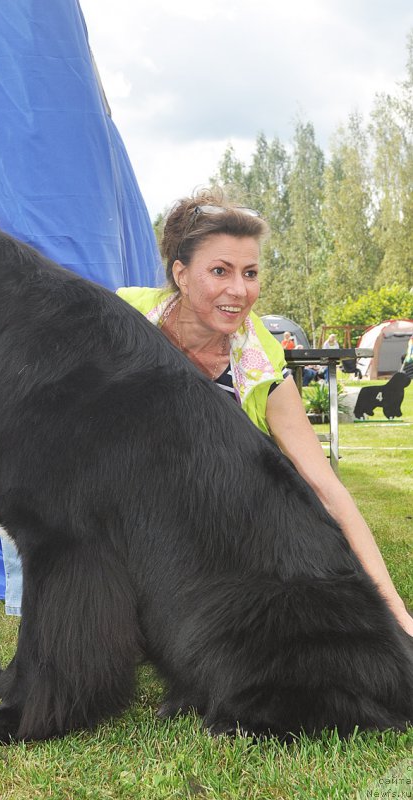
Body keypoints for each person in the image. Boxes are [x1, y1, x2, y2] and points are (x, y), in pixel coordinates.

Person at [114, 189, 412, 636]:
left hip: (211, 530)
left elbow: (323, 486)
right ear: (181, 274)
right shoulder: (124, 317)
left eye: (250, 273)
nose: (239, 290)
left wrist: (396, 611)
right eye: (220, 270)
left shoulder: (260, 363)